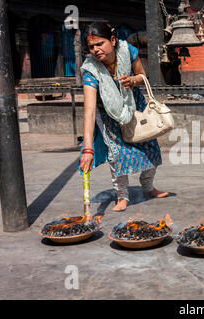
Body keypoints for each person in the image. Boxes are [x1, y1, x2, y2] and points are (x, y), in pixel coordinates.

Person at [79, 22, 169, 212]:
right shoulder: (90, 70)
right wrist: (88, 149)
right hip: (109, 116)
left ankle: (148, 187)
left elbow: (142, 76)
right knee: (117, 155)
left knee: (150, 147)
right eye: (91, 47)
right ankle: (122, 195)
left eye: (100, 44)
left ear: (112, 40)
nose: (96, 50)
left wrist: (132, 80)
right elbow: (89, 110)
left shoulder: (128, 51)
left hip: (134, 104)